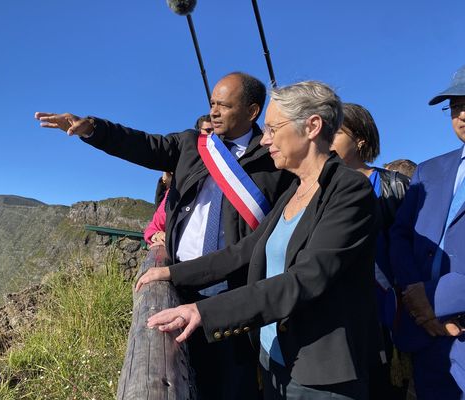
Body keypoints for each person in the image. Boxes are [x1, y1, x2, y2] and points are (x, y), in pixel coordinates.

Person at [35, 72, 294, 400]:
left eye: (224, 106)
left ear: (252, 112)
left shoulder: (273, 160)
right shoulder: (192, 144)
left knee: (233, 383)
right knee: (183, 375)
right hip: (182, 284)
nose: (213, 112)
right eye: (212, 103)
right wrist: (92, 128)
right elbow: (142, 144)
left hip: (235, 292)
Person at [137, 81, 380, 399]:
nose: (264, 140)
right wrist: (170, 272)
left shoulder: (348, 190)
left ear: (312, 126)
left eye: (272, 129)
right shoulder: (294, 190)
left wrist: (204, 313)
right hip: (274, 359)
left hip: (319, 375)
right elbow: (243, 252)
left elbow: (305, 279)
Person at [390, 65, 465, 399]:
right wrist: (415, 297)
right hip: (427, 334)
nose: (462, 113)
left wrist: (435, 300)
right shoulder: (429, 170)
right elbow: (400, 235)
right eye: (456, 105)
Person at [331, 103, 411, 398]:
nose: (326, 140)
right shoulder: (314, 191)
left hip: (388, 311)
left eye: (336, 132)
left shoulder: (395, 186)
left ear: (360, 140)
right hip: (339, 315)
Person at [145, 116, 213, 247]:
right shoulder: (176, 189)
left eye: (216, 132)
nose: (212, 136)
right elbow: (154, 227)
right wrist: (156, 235)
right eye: (208, 131)